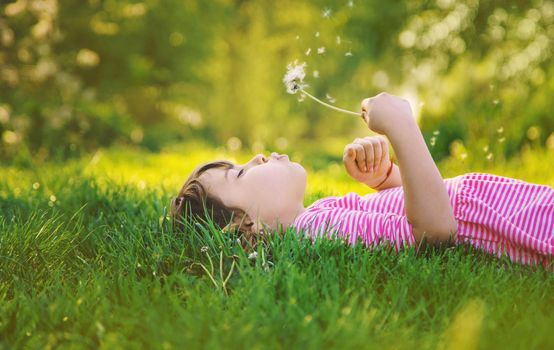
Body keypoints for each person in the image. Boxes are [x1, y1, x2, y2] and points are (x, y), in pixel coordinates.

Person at [171, 92, 554, 268]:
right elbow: (435, 229)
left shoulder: (319, 213)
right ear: (245, 227)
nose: (255, 158)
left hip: (524, 209)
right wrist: (402, 127)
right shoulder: (321, 231)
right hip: (525, 225)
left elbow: (410, 213)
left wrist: (387, 178)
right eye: (239, 171)